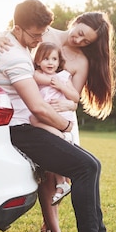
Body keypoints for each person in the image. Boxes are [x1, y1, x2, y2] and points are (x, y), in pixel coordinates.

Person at [0, 0, 116, 232]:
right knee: (85, 167)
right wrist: (66, 125)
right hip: (22, 127)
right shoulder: (14, 53)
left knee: (92, 165)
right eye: (36, 35)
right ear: (19, 30)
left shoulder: (21, 44)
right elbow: (37, 108)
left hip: (32, 124)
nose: (40, 40)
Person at [30, 41, 78, 206]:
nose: (50, 62)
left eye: (54, 59)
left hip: (61, 116)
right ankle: (61, 183)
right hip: (49, 116)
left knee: (34, 120)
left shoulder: (64, 76)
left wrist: (61, 86)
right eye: (45, 59)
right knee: (36, 123)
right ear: (38, 61)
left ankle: (61, 137)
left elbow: (75, 97)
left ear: (59, 61)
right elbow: (37, 78)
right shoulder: (36, 75)